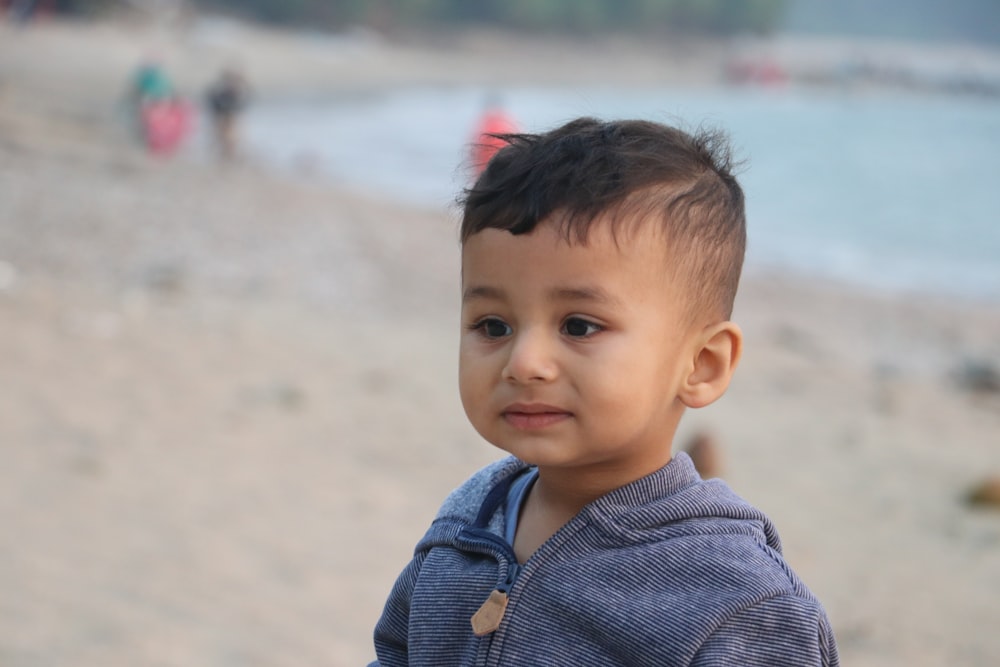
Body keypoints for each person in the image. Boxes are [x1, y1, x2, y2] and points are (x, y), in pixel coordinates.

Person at [370, 118, 839, 666]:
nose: (524, 363)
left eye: (579, 326)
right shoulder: (471, 519)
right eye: (493, 326)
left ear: (702, 365)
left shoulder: (735, 600)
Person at [205, 68, 250, 160]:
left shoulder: (237, 91)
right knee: (224, 138)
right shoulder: (220, 91)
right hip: (223, 116)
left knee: (230, 138)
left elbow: (245, 102)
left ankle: (228, 155)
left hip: (231, 116)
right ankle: (223, 156)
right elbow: (213, 102)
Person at [469, 94, 518, 176]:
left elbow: (474, 150)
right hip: (501, 168)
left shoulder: (483, 124)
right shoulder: (507, 122)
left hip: (487, 168)